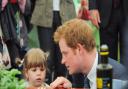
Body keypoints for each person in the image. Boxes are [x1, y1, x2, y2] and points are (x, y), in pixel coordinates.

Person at [50, 18, 128, 89]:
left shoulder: (117, 80)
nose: (62, 61)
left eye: (65, 53)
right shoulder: (79, 72)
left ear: (79, 49)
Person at [30, 0, 76, 84]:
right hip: (43, 12)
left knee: (62, 58)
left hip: (66, 12)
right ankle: (45, 85)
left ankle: (59, 85)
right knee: (47, 58)